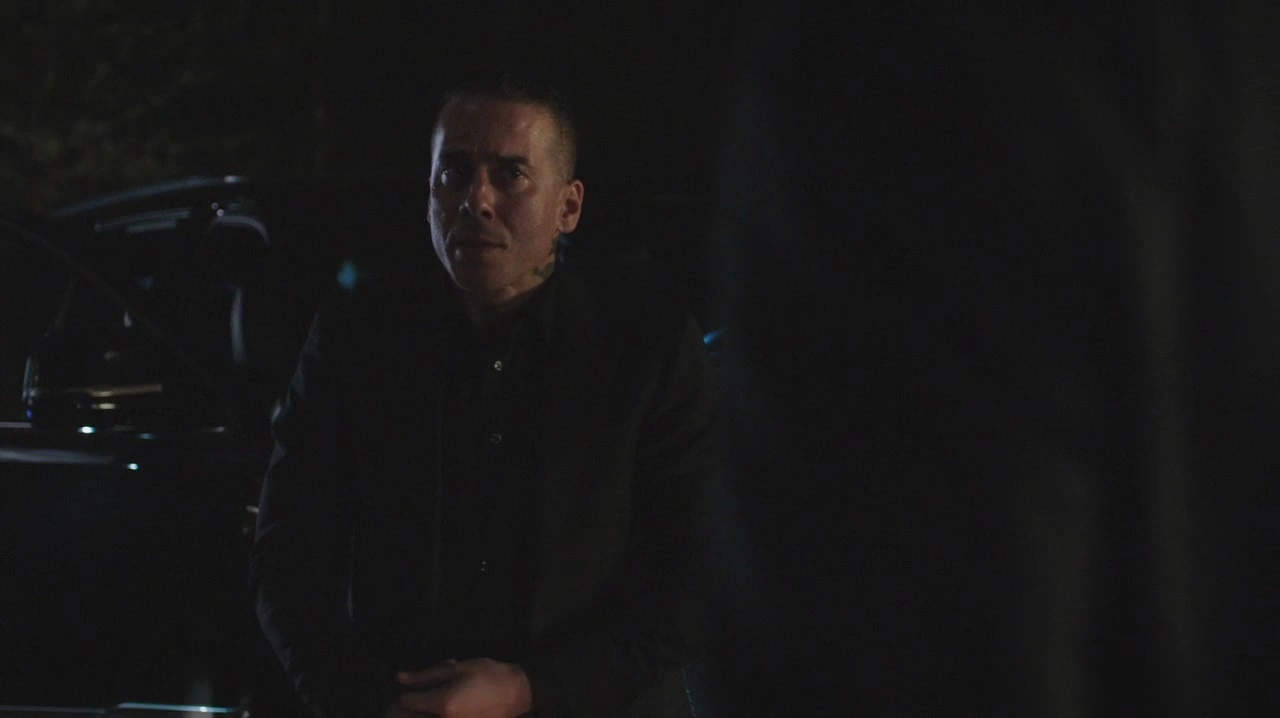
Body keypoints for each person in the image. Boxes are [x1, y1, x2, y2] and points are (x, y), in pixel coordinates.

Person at [249, 78, 714, 718]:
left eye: (511, 174)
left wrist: (532, 689)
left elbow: (696, 573)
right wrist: (365, 702)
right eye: (455, 172)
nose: (477, 200)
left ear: (568, 206)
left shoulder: (646, 349)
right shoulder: (357, 342)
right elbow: (288, 560)